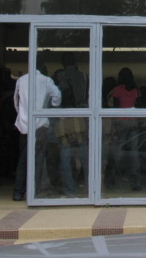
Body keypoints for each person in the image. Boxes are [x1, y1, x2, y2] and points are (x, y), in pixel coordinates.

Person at [13, 62, 62, 201]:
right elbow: (57, 96)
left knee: (23, 159)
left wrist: (21, 115)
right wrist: (53, 106)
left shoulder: (21, 80)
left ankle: (18, 192)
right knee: (38, 159)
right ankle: (34, 191)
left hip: (23, 126)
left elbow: (16, 101)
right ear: (43, 69)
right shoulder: (46, 80)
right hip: (40, 125)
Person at [55, 53, 88, 197]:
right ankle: (90, 187)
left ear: (62, 63)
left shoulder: (59, 76)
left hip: (64, 119)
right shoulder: (84, 76)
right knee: (84, 155)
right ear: (75, 63)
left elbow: (56, 100)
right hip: (81, 117)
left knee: (65, 155)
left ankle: (70, 190)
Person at [108, 67, 142, 192]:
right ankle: (136, 182)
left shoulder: (117, 90)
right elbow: (138, 106)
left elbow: (116, 107)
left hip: (120, 123)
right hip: (133, 123)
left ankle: (114, 182)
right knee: (134, 154)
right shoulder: (136, 90)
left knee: (118, 153)